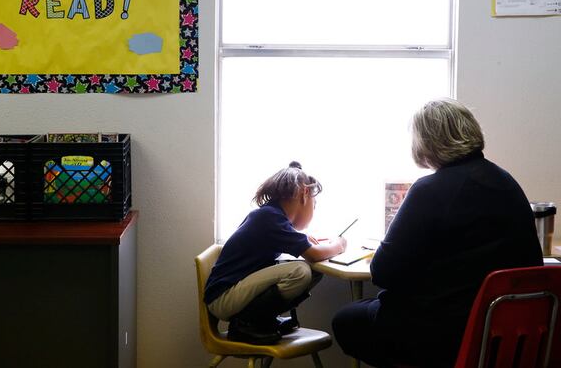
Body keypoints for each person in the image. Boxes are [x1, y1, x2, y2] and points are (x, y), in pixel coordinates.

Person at [332, 98, 543, 367]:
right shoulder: (507, 182)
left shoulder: (429, 190)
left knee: (347, 320)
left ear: (426, 142)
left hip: (442, 333)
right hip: (505, 332)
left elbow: (383, 272)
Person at [204, 161, 347, 345]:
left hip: (233, 293)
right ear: (304, 194)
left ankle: (262, 319)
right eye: (315, 203)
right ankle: (245, 324)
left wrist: (303, 240)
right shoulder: (269, 218)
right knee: (300, 271)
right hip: (222, 297)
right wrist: (340, 245)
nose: (314, 209)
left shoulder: (272, 217)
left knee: (314, 270)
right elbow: (314, 255)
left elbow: (310, 253)